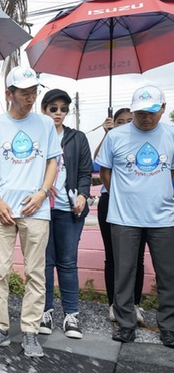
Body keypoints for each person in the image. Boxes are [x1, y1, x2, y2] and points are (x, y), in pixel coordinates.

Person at [0, 66, 61, 357]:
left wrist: (42, 193)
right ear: (9, 94)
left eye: (34, 91)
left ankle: (30, 332)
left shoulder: (46, 124)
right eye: (24, 93)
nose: (31, 97)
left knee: (36, 272)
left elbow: (52, 162)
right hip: (0, 210)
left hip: (36, 210)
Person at [96, 85, 174, 347]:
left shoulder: (171, 134)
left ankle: (169, 325)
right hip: (124, 217)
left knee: (168, 274)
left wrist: (160, 194)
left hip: (163, 218)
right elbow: (105, 171)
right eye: (140, 112)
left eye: (152, 112)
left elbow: (171, 173)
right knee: (124, 273)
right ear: (133, 110)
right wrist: (122, 195)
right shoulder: (116, 136)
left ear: (163, 109)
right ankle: (126, 323)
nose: (145, 117)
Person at [37, 89, 92, 340]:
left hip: (69, 209)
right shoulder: (36, 136)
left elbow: (84, 171)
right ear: (44, 109)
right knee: (45, 264)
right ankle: (45, 311)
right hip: (41, 210)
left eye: (63, 109)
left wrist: (82, 194)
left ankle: (71, 315)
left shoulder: (77, 138)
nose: (58, 113)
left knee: (67, 262)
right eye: (53, 108)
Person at [94, 108, 147, 324]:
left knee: (137, 258)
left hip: (138, 204)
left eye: (129, 121)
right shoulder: (112, 140)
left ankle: (134, 304)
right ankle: (113, 305)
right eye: (119, 121)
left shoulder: (140, 143)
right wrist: (106, 134)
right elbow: (97, 163)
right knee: (113, 257)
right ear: (113, 123)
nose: (124, 124)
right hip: (110, 202)